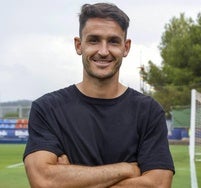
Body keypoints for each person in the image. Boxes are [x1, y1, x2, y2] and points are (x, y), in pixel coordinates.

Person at [23, 3, 175, 188]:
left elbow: (158, 185)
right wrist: (126, 169)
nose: (103, 51)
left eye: (113, 41)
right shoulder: (47, 109)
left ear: (126, 47)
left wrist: (72, 180)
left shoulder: (149, 111)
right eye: (94, 40)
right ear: (79, 45)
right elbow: (44, 181)